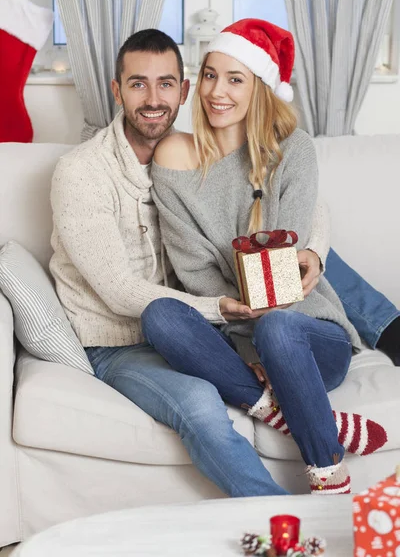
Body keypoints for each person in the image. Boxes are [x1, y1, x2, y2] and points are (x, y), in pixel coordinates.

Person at [49, 27, 397, 500]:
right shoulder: (92, 171)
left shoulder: (267, 148)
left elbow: (309, 207)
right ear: (117, 90)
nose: (153, 98)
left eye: (166, 83)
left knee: (280, 321)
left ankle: (328, 475)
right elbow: (120, 289)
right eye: (137, 84)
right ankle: (287, 516)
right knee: (169, 332)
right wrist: (225, 311)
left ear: (182, 89)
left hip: (274, 327)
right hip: (156, 334)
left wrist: (313, 250)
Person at [142, 19, 388, 495]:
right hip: (234, 338)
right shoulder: (173, 155)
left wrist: (305, 256)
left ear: (260, 89)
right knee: (159, 316)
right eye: (211, 75)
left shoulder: (291, 150)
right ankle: (282, 410)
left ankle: (329, 476)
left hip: (309, 335)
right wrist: (238, 337)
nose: (217, 91)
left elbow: (285, 271)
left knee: (277, 325)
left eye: (236, 79)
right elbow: (193, 271)